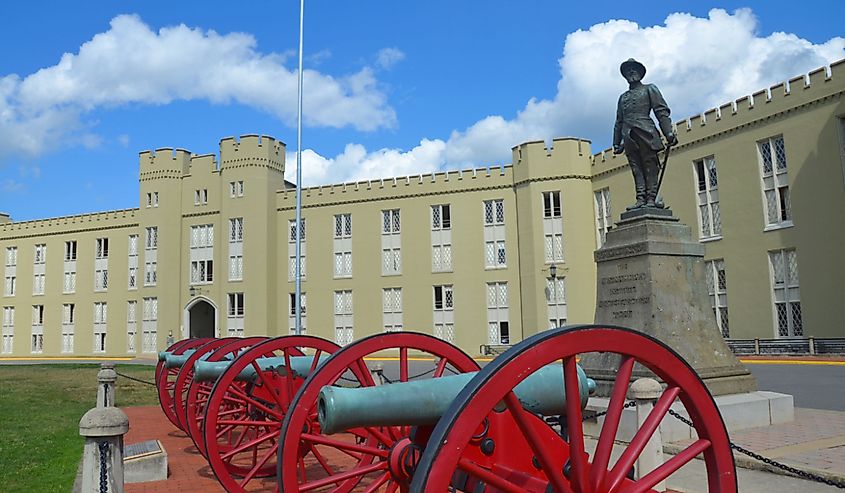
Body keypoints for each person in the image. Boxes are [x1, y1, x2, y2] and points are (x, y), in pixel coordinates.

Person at [612, 58, 678, 209]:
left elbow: (661, 111)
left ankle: (651, 198)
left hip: (646, 132)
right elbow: (619, 121)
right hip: (628, 136)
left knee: (650, 166)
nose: (631, 72)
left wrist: (668, 132)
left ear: (641, 73)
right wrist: (616, 142)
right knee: (636, 169)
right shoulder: (623, 97)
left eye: (634, 69)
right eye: (628, 70)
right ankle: (640, 198)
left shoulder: (650, 89)